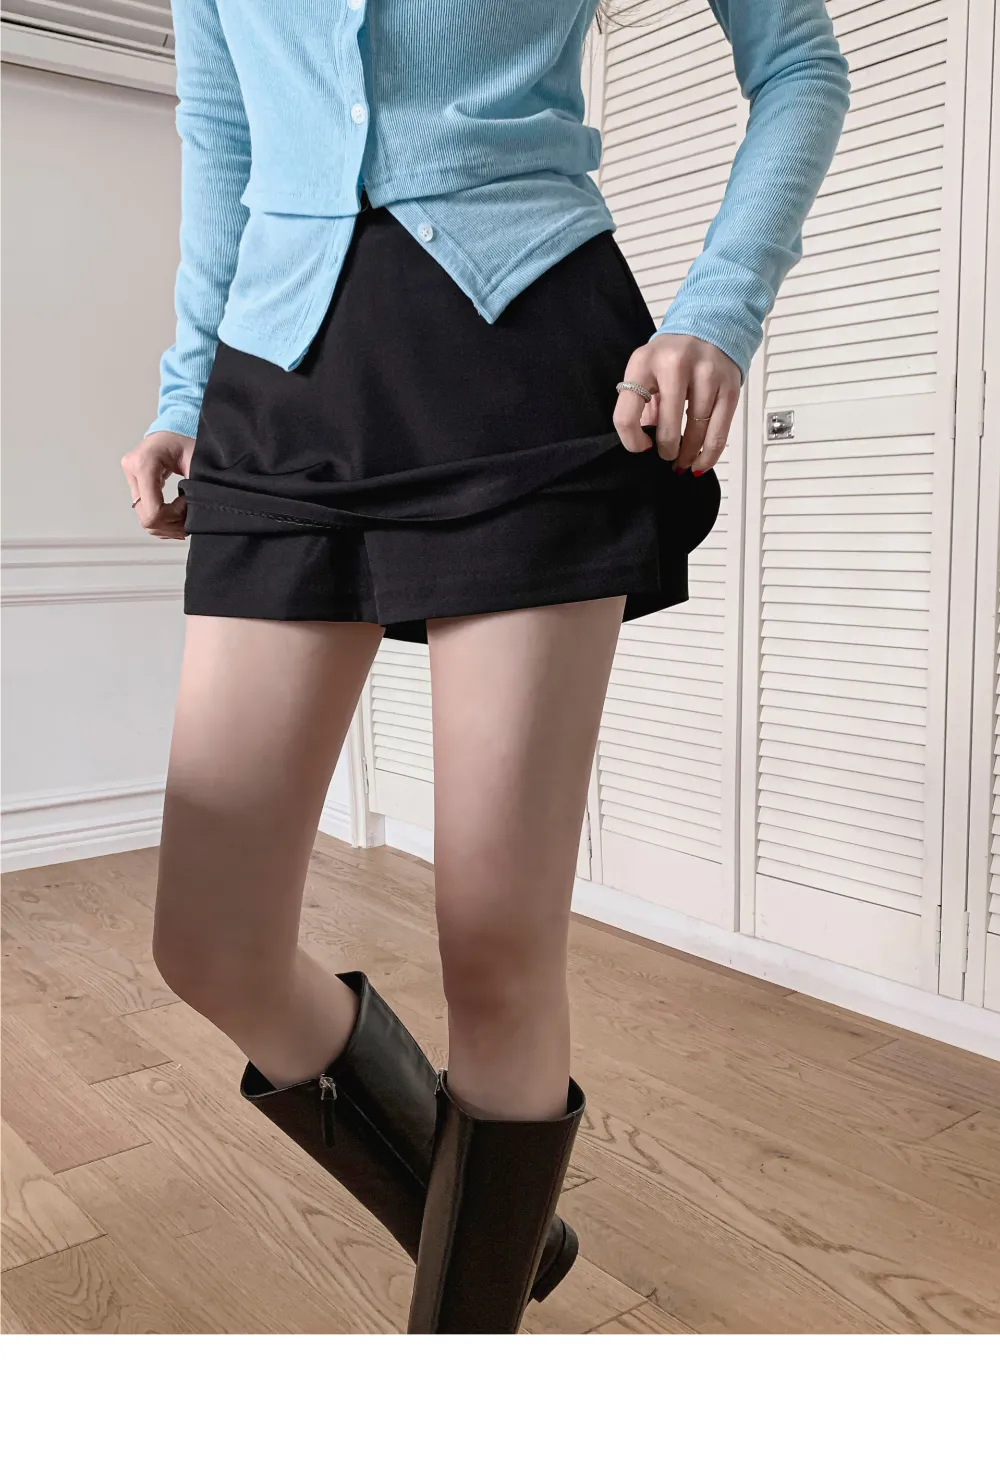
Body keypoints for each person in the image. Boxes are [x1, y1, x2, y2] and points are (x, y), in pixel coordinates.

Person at [121, 0, 848, 1334]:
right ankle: (501, 1236)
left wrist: (719, 311)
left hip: (523, 371)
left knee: (497, 948)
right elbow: (224, 137)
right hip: (275, 392)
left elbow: (800, 62)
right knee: (209, 939)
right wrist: (184, 394)